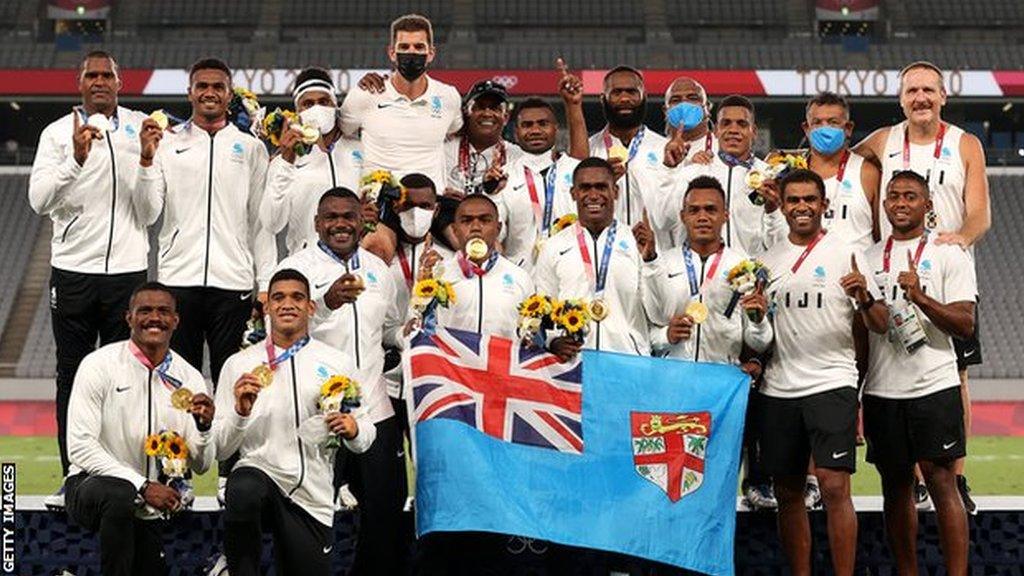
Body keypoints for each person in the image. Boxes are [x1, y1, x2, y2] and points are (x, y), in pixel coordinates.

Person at [855, 61, 990, 514]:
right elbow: (835, 163)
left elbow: (980, 214)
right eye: (912, 90)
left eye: (929, 90)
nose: (921, 98)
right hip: (890, 270)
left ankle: (957, 474)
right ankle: (911, 479)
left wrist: (957, 242)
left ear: (943, 96)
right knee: (890, 361)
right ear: (900, 99)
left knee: (957, 374)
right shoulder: (881, 141)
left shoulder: (963, 144)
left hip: (946, 275)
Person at [28, 50, 151, 509]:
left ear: (121, 83)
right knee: (72, 375)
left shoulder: (141, 127)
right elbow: (39, 199)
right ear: (79, 84)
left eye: (108, 75)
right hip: (74, 271)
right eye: (91, 75)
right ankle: (72, 476)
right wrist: (74, 161)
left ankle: (129, 477)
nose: (100, 82)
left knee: (129, 377)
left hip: (127, 271)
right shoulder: (57, 133)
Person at [758, 169, 888, 576]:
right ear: (781, 204)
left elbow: (881, 323)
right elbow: (758, 329)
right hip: (778, 386)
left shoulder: (849, 252)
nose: (801, 207)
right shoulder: (765, 259)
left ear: (824, 205)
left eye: (809, 200)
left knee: (834, 486)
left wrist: (865, 298)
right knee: (788, 491)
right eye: (793, 200)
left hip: (832, 380)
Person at [275, 188, 407, 575]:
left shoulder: (380, 270)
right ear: (317, 223)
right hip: (315, 412)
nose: (340, 224)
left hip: (374, 410)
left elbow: (390, 329)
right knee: (307, 512)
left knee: (384, 512)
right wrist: (327, 302)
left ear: (362, 221)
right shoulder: (296, 268)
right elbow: (280, 331)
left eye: (348, 216)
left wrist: (413, 330)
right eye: (330, 217)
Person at [215, 268, 376, 576]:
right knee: (243, 486)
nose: (287, 304)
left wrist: (353, 430)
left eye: (297, 297)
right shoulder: (240, 365)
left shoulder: (336, 363)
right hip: (259, 476)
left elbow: (366, 432)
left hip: (311, 493)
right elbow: (220, 450)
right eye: (278, 297)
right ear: (267, 308)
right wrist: (240, 412)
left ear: (310, 307)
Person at [862, 170, 974, 575]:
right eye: (893, 196)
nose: (901, 203)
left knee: (942, 482)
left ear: (928, 206)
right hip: (883, 388)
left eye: (911, 196)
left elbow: (965, 324)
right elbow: (869, 326)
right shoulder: (869, 257)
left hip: (934, 384)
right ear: (885, 204)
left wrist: (921, 297)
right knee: (895, 487)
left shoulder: (949, 254)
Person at [642, 175, 776, 511]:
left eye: (711, 210)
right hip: (673, 389)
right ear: (683, 215)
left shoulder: (744, 267)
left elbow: (759, 341)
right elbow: (645, 327)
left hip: (723, 390)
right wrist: (664, 336)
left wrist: (759, 321)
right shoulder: (662, 264)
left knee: (717, 485)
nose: (703, 216)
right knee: (671, 487)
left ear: (725, 215)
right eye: (695, 210)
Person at [65, 282, 215, 575]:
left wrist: (205, 428)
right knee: (119, 494)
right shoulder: (99, 365)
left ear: (176, 320)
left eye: (163, 311)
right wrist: (141, 486)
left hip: (153, 502)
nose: (154, 318)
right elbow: (80, 446)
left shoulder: (190, 377)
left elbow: (201, 465)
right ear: (129, 318)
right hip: (91, 487)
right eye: (144, 310)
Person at [534, 157, 663, 360]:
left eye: (601, 187)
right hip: (574, 363)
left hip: (627, 359)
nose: (593, 196)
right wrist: (552, 341)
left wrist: (650, 261)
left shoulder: (637, 242)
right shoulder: (553, 246)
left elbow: (657, 314)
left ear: (616, 192)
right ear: (573, 194)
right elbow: (544, 305)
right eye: (585, 188)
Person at [340, 13, 462, 194]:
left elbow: (456, 130)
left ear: (431, 54)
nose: (411, 52)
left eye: (419, 47)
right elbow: (340, 132)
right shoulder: (365, 95)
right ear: (392, 53)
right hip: (379, 210)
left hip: (429, 208)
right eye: (404, 46)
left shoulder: (449, 97)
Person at [653, 95, 787, 255]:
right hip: (704, 274)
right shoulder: (694, 172)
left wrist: (773, 211)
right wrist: (670, 170)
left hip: (752, 274)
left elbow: (782, 243)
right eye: (726, 123)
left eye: (742, 124)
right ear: (716, 131)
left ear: (754, 132)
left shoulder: (770, 178)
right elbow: (663, 222)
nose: (733, 130)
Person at [259, 67, 364, 255]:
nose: (317, 108)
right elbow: (272, 223)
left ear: (335, 105)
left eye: (324, 102)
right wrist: (287, 162)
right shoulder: (284, 161)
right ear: (297, 111)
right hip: (308, 265)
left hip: (359, 261)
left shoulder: (361, 148)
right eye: (308, 104)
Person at [497, 61, 589, 271]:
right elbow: (495, 232)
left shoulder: (573, 170)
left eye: (543, 123)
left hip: (570, 271)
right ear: (516, 131)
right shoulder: (504, 177)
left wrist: (573, 104)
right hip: (521, 277)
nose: (535, 130)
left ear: (556, 128)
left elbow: (582, 156)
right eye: (527, 125)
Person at [425, 195, 535, 337]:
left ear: (498, 228)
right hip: (451, 359)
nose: (476, 227)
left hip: (502, 358)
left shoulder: (520, 278)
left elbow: (530, 337)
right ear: (455, 229)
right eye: (466, 221)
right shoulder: (437, 276)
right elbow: (421, 330)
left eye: (485, 220)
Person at [588, 66, 668, 228]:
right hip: (607, 249)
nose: (624, 99)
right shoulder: (589, 151)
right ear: (603, 99)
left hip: (658, 249)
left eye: (631, 92)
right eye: (616, 93)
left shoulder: (664, 149)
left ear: (644, 97)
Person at [802, 91, 879, 251]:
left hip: (857, 271)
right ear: (807, 129)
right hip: (803, 270)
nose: (825, 129)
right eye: (817, 122)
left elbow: (881, 232)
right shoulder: (791, 172)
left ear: (848, 128)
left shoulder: (867, 173)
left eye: (833, 122)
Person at [443, 79, 521, 196]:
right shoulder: (443, 151)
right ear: (467, 113)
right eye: (480, 107)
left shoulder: (518, 157)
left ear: (505, 118)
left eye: (495, 108)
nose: (487, 113)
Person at [661, 76, 718, 168]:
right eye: (676, 100)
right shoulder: (652, 150)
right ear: (665, 111)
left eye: (693, 98)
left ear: (707, 108)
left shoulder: (723, 150)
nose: (684, 104)